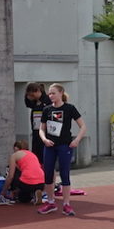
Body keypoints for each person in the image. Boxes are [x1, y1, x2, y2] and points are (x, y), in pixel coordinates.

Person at [36, 84, 87, 215]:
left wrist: (76, 140)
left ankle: (66, 204)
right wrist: (44, 139)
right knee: (48, 174)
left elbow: (83, 126)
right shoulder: (47, 109)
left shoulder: (69, 108)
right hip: (49, 146)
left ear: (61, 93)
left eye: (53, 93)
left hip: (65, 146)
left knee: (65, 174)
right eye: (49, 93)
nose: (50, 96)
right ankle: (51, 203)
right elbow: (41, 129)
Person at [0, 140, 45, 205]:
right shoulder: (32, 154)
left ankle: (26, 193)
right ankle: (34, 192)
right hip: (41, 182)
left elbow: (10, 176)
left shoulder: (14, 156)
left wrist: (2, 193)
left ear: (15, 148)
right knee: (27, 184)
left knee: (23, 198)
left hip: (27, 183)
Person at [24, 82, 47, 158]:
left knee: (43, 153)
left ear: (37, 91)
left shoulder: (47, 101)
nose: (31, 97)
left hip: (45, 131)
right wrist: (27, 96)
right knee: (36, 153)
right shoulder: (35, 102)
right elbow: (28, 104)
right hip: (35, 130)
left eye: (32, 95)